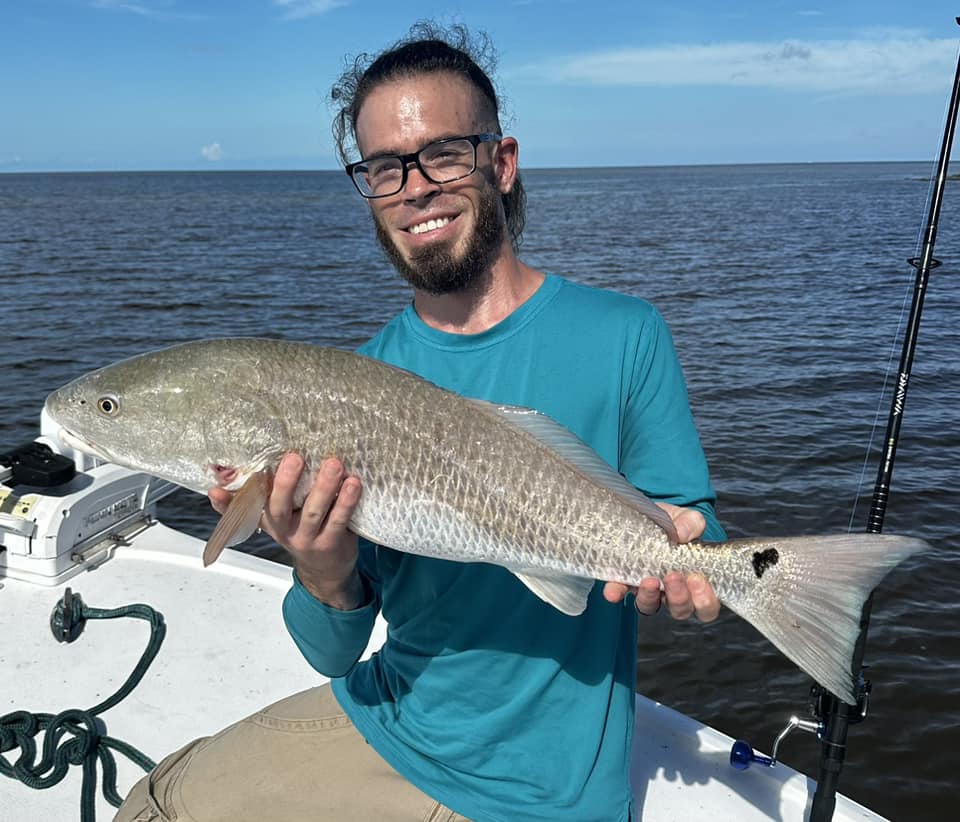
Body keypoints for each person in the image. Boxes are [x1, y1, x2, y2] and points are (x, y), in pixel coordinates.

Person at [115, 22, 726, 822]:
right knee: (153, 805)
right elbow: (331, 652)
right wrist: (324, 569)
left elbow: (691, 529)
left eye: (442, 154)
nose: (415, 188)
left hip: (548, 788)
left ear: (499, 164)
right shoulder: (358, 380)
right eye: (383, 168)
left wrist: (693, 570)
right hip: (390, 723)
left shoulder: (624, 333)